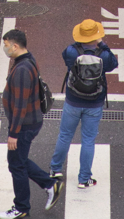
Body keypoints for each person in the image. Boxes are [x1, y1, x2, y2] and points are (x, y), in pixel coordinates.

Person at [0, 28, 62, 219]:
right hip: (29, 122)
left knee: (16, 164)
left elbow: (20, 104)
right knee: (20, 160)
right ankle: (50, 185)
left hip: (24, 125)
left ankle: (22, 207)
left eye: (6, 45)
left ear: (15, 46)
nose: (5, 48)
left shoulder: (23, 69)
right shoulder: (26, 60)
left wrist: (13, 133)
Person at [49, 19, 118, 188]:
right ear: (97, 36)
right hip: (95, 102)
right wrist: (103, 44)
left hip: (73, 99)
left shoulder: (72, 51)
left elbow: (66, 57)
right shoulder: (103, 55)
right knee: (88, 140)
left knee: (65, 135)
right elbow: (113, 64)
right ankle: (84, 178)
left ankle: (55, 169)